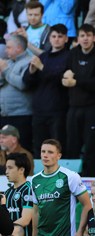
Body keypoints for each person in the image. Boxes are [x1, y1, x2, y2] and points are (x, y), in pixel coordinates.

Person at [24, 24, 70, 154]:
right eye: (54, 36)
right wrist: (32, 72)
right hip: (39, 111)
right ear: (49, 38)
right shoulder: (43, 57)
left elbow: (60, 78)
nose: (56, 39)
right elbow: (27, 82)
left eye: (60, 37)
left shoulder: (69, 56)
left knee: (56, 148)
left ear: (66, 39)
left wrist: (42, 67)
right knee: (39, 149)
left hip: (58, 111)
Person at [0, 34, 33, 150]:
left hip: (22, 115)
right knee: (6, 151)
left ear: (18, 47)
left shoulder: (29, 62)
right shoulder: (7, 62)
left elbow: (22, 84)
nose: (6, 50)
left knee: (22, 150)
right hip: (5, 115)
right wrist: (1, 73)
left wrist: (5, 70)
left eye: (9, 47)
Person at [62, 23, 95, 170]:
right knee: (72, 145)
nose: (85, 39)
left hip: (91, 108)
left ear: (94, 38)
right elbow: (65, 75)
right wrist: (65, 76)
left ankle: (90, 179)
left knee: (91, 146)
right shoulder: (73, 53)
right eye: (82, 36)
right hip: (73, 106)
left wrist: (76, 82)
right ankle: (72, 179)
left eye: (88, 35)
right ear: (78, 38)